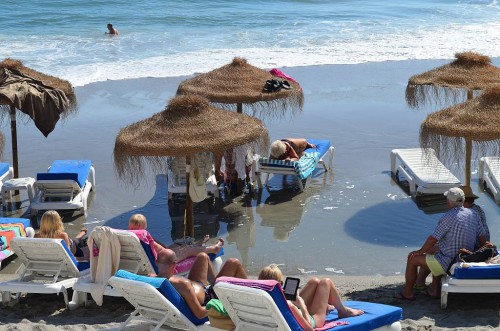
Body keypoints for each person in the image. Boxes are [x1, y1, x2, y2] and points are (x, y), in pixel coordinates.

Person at [396, 187, 487, 300]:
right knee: (435, 250)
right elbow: (483, 239)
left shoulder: (448, 216)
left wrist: (419, 251)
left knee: (412, 258)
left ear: (449, 201)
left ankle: (407, 293)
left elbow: (433, 239)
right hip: (464, 258)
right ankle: (432, 289)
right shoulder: (474, 214)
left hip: (448, 262)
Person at [258, 264, 363, 330]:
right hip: (312, 321)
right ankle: (343, 311)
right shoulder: (289, 305)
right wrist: (302, 305)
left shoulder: (259, 298)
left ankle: (325, 306)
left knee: (314, 282)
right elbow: (309, 329)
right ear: (280, 283)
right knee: (326, 282)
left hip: (291, 314)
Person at [155, 249, 247, 319]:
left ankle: (215, 283)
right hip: (210, 298)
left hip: (199, 287)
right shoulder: (182, 284)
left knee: (203, 256)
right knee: (233, 263)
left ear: (156, 262)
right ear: (174, 264)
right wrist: (219, 304)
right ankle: (252, 290)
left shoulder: (151, 278)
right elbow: (200, 314)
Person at [128, 213, 224, 261]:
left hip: (155, 258)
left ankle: (198, 245)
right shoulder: (143, 236)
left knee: (176, 245)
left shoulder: (129, 236)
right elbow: (162, 248)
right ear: (144, 226)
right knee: (187, 249)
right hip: (164, 261)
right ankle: (213, 249)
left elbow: (159, 247)